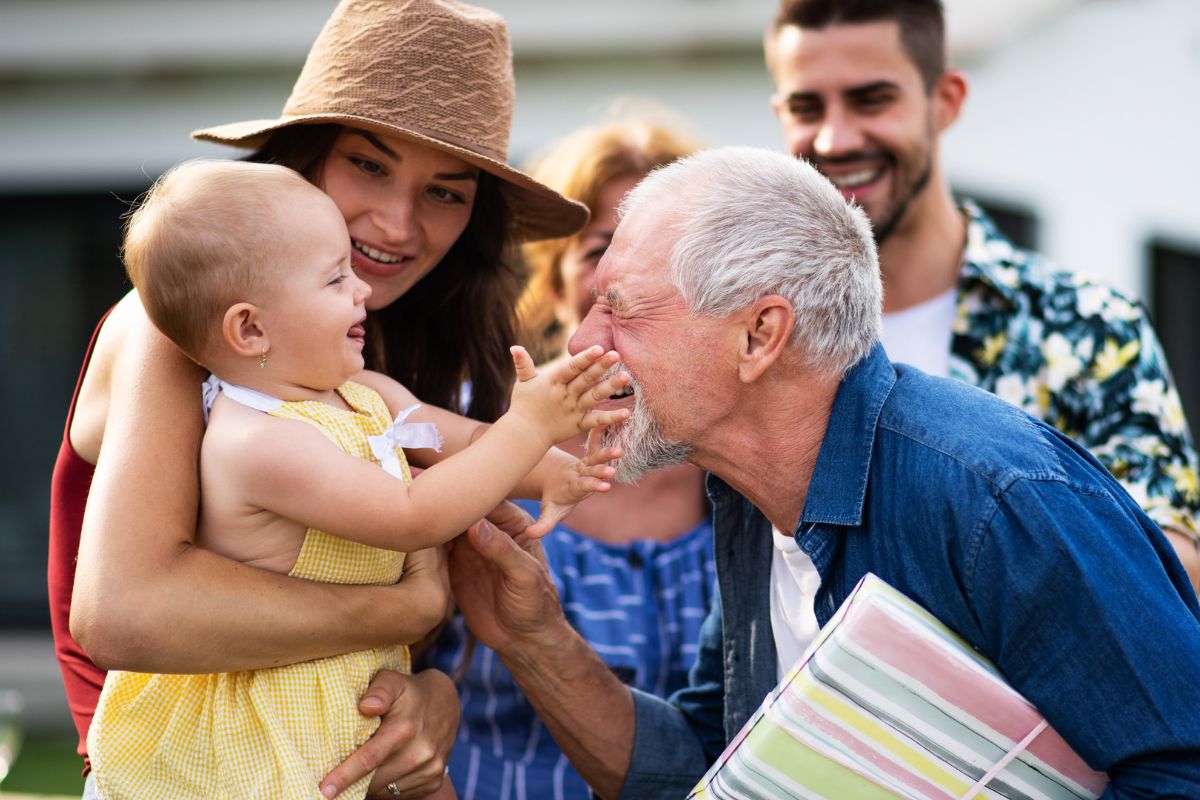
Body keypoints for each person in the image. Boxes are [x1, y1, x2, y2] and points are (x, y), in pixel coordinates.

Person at [444, 147, 1200, 798]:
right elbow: (712, 766)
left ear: (760, 335)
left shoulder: (994, 501)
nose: (582, 339)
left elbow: (1181, 768)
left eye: (622, 310)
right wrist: (532, 638)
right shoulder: (749, 495)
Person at [48, 1, 587, 797]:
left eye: (446, 193)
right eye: (367, 165)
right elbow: (124, 614)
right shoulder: (184, 334)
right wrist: (404, 610)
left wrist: (431, 698)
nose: (396, 223)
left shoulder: (377, 349)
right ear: (302, 157)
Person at [762, 0, 1200, 590]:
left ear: (946, 100)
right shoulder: (760, 337)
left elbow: (1170, 568)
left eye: (872, 100)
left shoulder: (1086, 326)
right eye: (806, 107)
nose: (835, 138)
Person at [425, 113, 716, 799]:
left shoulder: (740, 467)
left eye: (669, 255)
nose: (632, 280)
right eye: (601, 252)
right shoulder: (464, 435)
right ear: (556, 286)